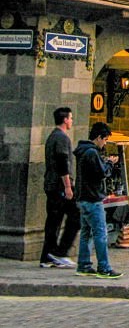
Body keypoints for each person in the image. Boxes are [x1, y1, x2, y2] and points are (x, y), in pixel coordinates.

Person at [73, 122, 122, 279]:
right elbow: (102, 173)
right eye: (105, 139)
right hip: (93, 198)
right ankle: (104, 267)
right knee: (100, 234)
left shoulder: (83, 151)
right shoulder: (91, 153)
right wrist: (109, 163)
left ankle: (84, 264)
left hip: (83, 198)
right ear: (99, 137)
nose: (105, 143)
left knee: (86, 233)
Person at [39, 107, 79, 268]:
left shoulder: (52, 137)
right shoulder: (62, 138)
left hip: (51, 184)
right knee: (76, 216)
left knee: (53, 221)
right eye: (70, 118)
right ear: (65, 120)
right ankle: (60, 252)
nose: (71, 121)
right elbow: (63, 162)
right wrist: (68, 186)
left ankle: (47, 256)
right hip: (60, 186)